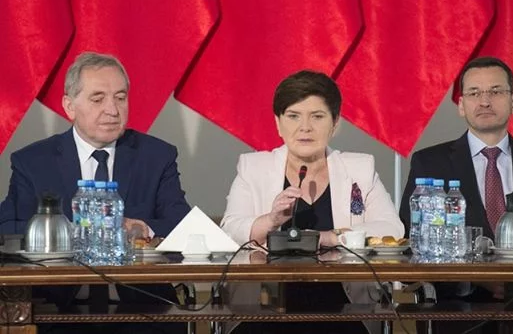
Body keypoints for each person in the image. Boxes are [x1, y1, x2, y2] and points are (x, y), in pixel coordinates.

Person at [0, 52, 191, 333]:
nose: (112, 110)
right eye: (98, 98)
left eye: (121, 97)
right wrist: (73, 232)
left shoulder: (156, 155)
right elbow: (7, 229)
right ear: (69, 106)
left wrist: (143, 228)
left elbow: (182, 222)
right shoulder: (34, 162)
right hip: (57, 308)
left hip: (143, 306)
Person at [398, 56, 513, 334]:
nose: (484, 101)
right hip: (460, 307)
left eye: (496, 92)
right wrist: (478, 278)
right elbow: (412, 241)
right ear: (461, 106)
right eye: (474, 93)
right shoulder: (430, 163)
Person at [221, 70, 404, 334]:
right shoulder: (254, 167)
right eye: (293, 116)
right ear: (278, 123)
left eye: (317, 116)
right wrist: (270, 220)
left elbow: (392, 229)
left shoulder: (359, 168)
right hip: (265, 311)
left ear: (335, 123)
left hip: (346, 310)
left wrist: (331, 237)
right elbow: (229, 229)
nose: (305, 127)